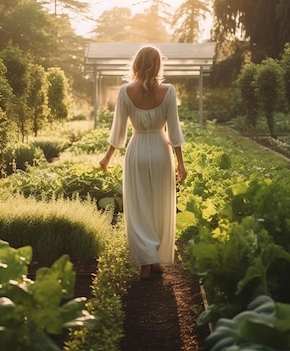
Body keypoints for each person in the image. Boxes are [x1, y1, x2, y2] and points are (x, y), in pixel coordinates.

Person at [99, 45, 186, 280]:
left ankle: (146, 263)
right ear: (158, 65)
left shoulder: (125, 91)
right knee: (160, 205)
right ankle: (155, 259)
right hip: (161, 151)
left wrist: (107, 157)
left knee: (138, 209)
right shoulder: (168, 91)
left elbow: (118, 131)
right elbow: (175, 131)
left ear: (136, 64)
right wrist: (181, 163)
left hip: (136, 152)